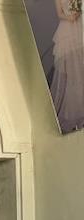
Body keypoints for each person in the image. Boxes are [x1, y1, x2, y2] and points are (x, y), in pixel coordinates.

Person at [52, 0, 84, 132]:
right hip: (67, 30)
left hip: (78, 26)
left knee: (80, 70)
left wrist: (78, 12)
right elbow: (59, 14)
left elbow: (80, 6)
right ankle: (74, 114)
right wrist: (69, 17)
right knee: (72, 74)